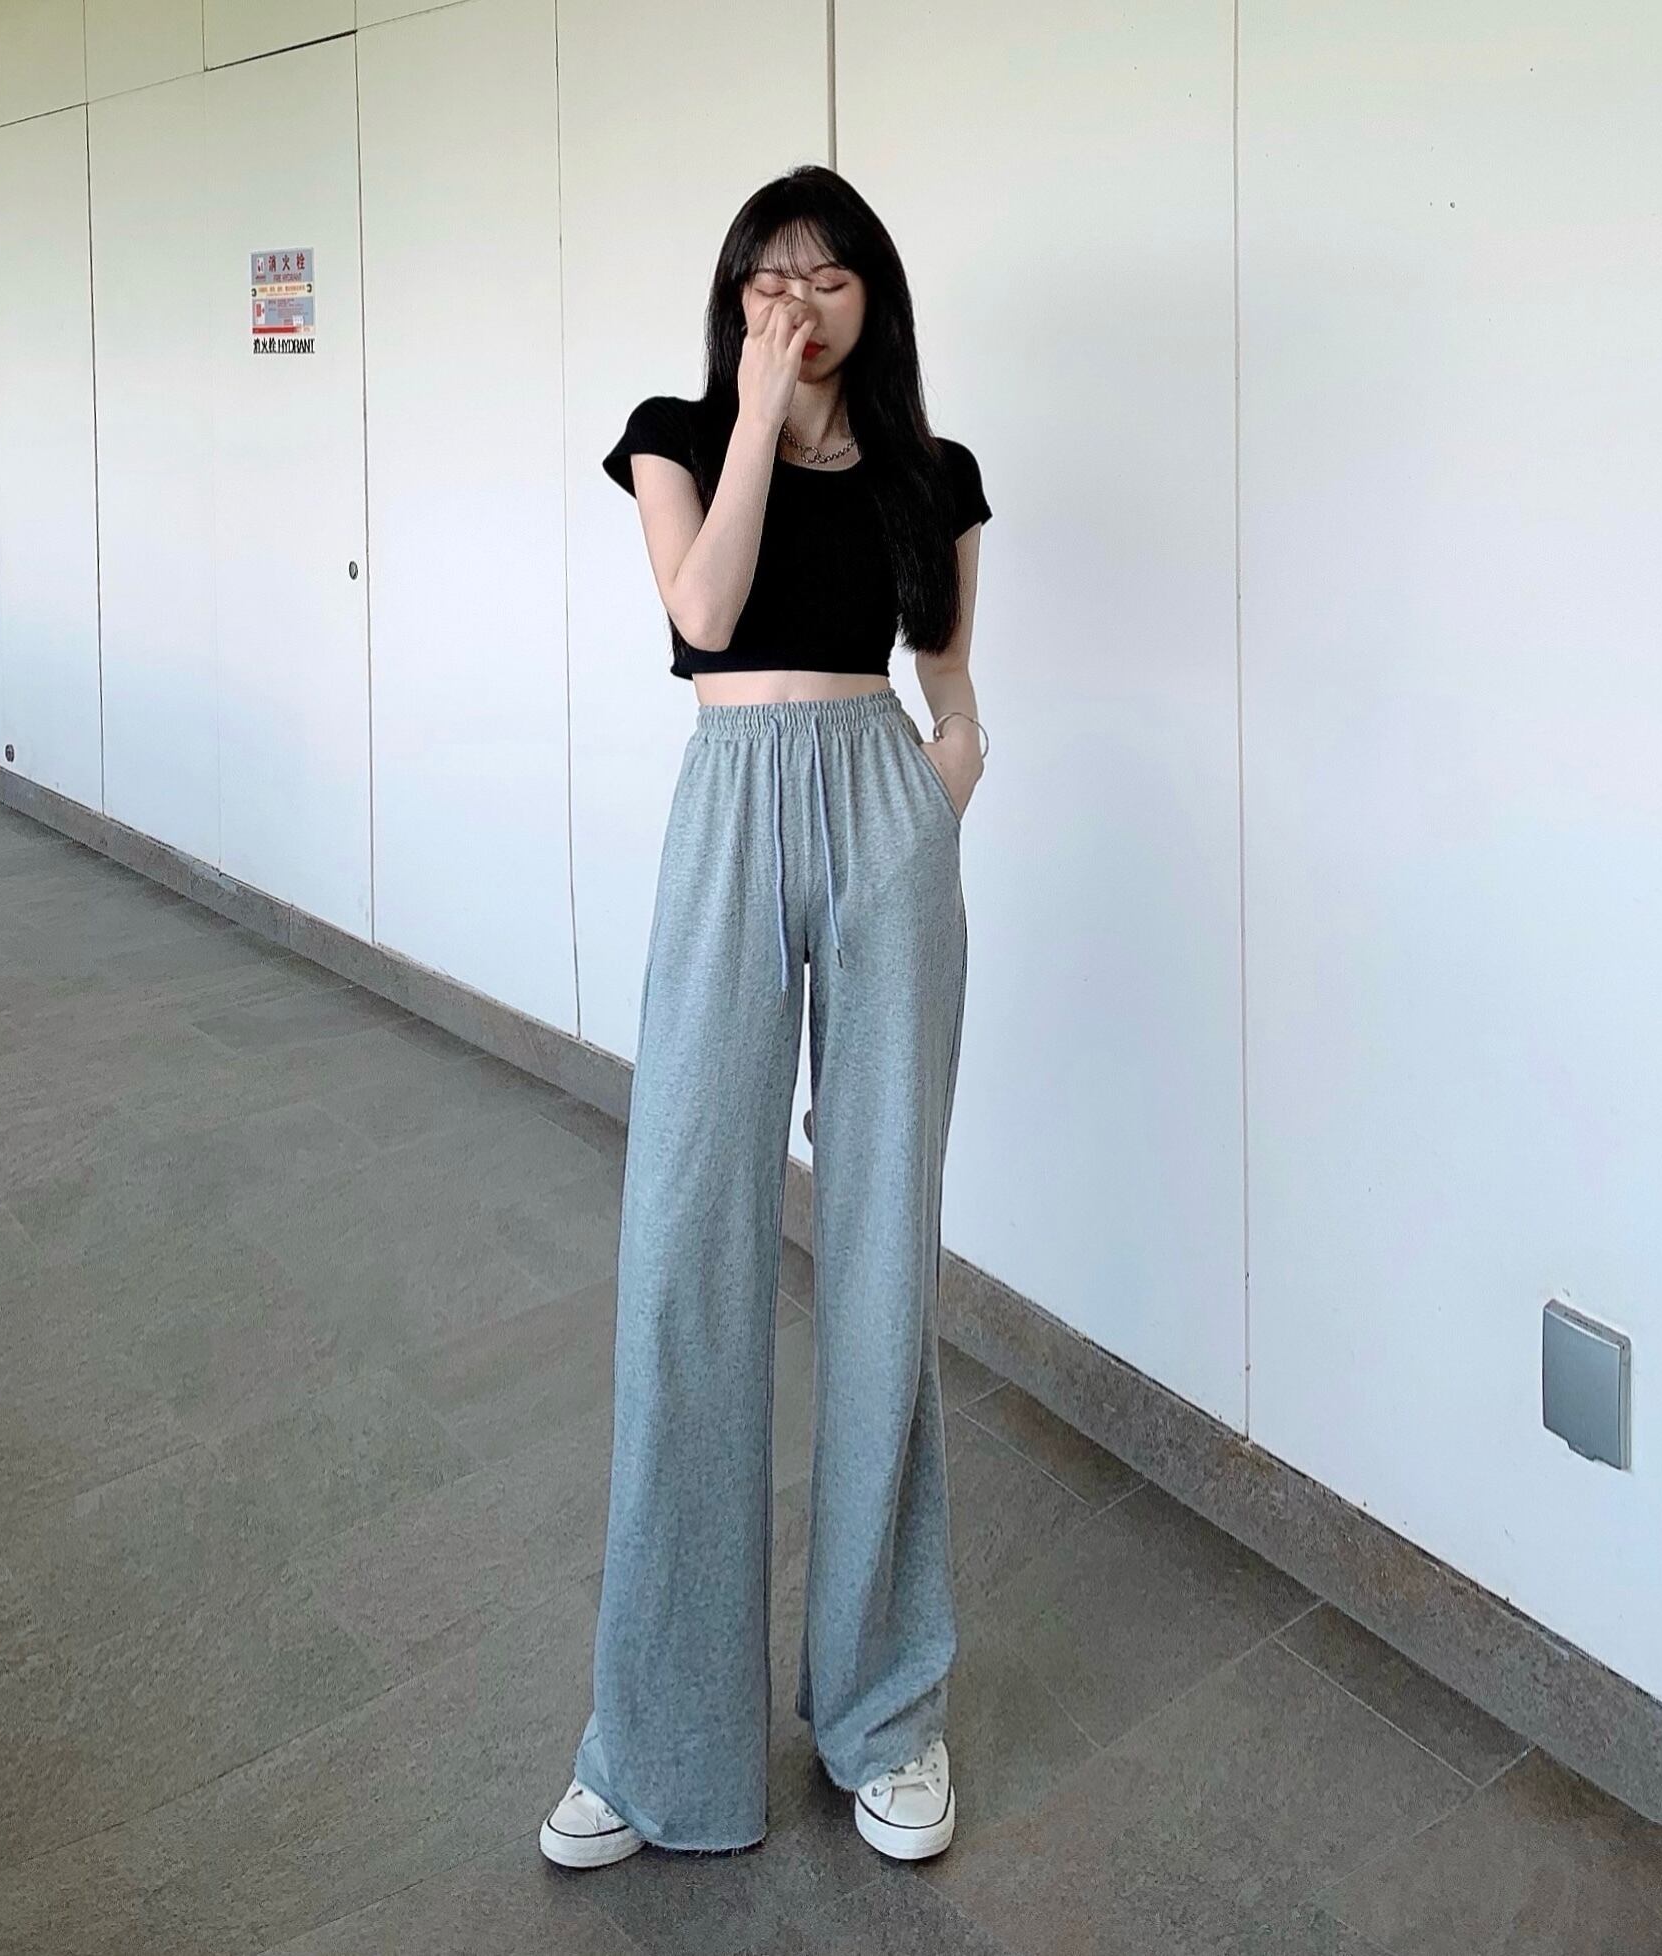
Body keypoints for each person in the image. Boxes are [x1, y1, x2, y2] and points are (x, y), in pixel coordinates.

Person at [539, 163, 990, 1871]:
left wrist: (934, 802)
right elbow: (706, 614)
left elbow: (954, 690)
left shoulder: (932, 476)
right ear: (736, 295)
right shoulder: (674, 437)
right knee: (684, 1251)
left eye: (829, 277)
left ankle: (886, 1713)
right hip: (729, 805)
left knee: (881, 1261)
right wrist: (754, 412)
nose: (798, 301)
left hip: (881, 812)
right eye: (767, 277)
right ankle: (657, 1743)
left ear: (874, 298)